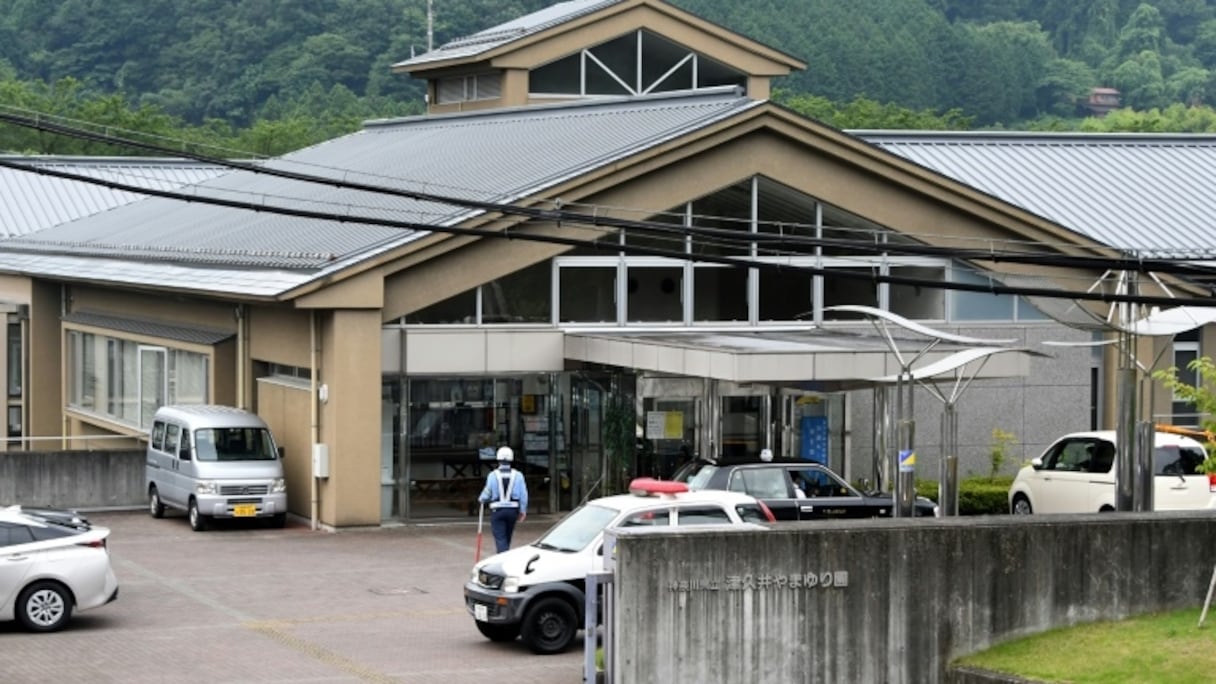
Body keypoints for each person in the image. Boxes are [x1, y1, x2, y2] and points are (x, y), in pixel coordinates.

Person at [477, 446, 529, 553]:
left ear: (498, 458)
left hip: (497, 511)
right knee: (507, 537)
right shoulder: (518, 475)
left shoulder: (492, 475)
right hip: (512, 511)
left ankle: (502, 559)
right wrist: (523, 510)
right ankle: (505, 554)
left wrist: (481, 499)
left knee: (500, 538)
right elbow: (523, 494)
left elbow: (487, 492)